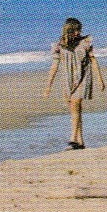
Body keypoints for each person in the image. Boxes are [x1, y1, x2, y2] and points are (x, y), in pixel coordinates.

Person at [44, 17, 103, 149]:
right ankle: (80, 142)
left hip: (83, 76)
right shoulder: (60, 45)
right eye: (75, 30)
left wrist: (100, 79)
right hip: (68, 79)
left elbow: (93, 60)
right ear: (68, 30)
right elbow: (54, 66)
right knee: (74, 110)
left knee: (76, 104)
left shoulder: (85, 43)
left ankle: (72, 138)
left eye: (79, 30)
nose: (78, 33)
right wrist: (48, 86)